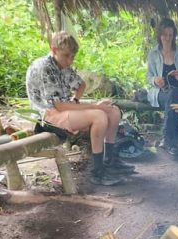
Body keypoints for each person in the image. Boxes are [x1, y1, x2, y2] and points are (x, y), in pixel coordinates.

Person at [26, 31, 135, 186]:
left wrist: (76, 100)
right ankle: (98, 172)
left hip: (62, 110)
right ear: (54, 49)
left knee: (113, 111)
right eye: (66, 56)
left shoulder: (62, 64)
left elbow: (81, 84)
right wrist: (94, 106)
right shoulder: (45, 67)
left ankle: (111, 162)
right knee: (99, 115)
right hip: (46, 117)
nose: (70, 61)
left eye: (72, 57)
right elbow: (58, 105)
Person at [146, 18, 178, 156]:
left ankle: (167, 141)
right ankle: (171, 143)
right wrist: (155, 80)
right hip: (160, 93)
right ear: (159, 35)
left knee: (175, 95)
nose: (167, 38)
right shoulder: (153, 53)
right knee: (172, 98)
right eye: (164, 35)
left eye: (170, 35)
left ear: (174, 36)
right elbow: (148, 77)